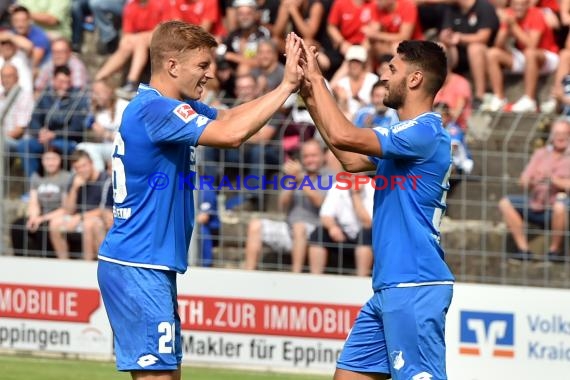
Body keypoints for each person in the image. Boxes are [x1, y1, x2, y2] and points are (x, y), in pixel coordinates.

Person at [97, 20, 302, 379]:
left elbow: (230, 117)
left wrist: (285, 89)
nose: (210, 75)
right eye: (202, 66)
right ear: (172, 65)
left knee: (167, 374)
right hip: (139, 264)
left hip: (148, 263)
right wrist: (286, 85)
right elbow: (232, 133)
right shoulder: (156, 110)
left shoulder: (168, 106)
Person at [297, 36, 454, 379]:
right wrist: (309, 94)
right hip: (390, 287)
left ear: (414, 79)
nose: (384, 76)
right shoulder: (402, 134)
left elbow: (343, 136)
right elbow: (351, 160)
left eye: (392, 69)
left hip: (413, 285)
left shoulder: (424, 133)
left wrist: (317, 78)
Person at [498, 119, 570, 263]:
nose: (560, 137)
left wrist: (553, 180)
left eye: (564, 133)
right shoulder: (541, 154)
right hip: (536, 203)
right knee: (505, 203)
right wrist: (533, 180)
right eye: (557, 133)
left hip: (560, 207)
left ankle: (554, 251)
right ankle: (523, 250)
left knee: (560, 205)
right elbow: (523, 180)